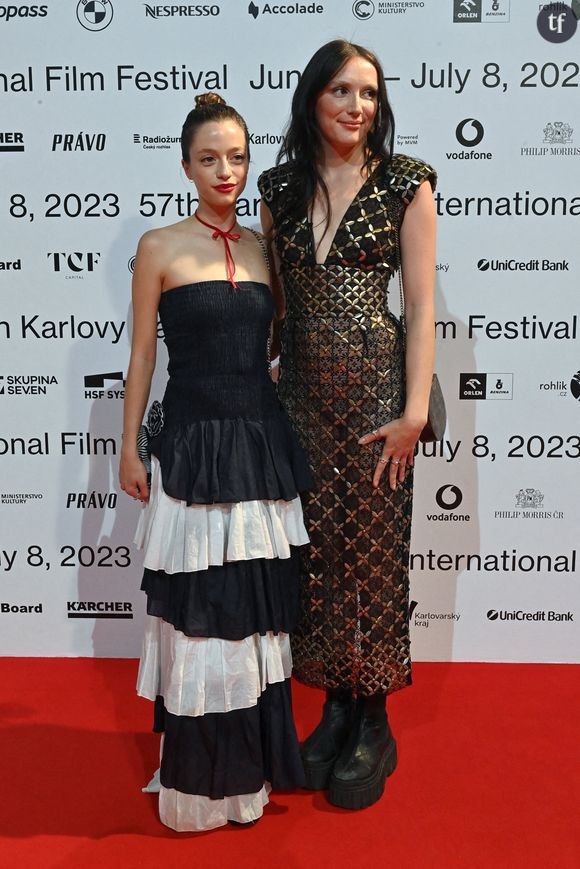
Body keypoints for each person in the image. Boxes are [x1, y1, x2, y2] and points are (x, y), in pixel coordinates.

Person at [119, 92, 312, 832]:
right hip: (193, 449)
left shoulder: (267, 249)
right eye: (209, 158)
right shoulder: (160, 246)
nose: (225, 171)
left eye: (236, 157)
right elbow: (141, 355)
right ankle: (200, 781)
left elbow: (272, 345)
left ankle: (250, 769)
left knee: (251, 616)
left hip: (257, 446)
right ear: (185, 165)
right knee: (201, 619)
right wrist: (127, 443)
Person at [258, 40, 437, 810]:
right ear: (312, 100)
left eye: (368, 92)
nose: (356, 106)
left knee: (374, 556)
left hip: (376, 398)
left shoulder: (407, 183)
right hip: (300, 400)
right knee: (318, 560)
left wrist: (415, 412)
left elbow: (423, 303)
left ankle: (375, 721)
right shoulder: (277, 188)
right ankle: (334, 705)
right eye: (340, 91)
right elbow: (276, 309)